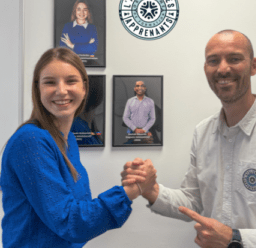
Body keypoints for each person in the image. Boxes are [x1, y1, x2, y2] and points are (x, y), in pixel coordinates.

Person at [122, 30, 256, 248]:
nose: (223, 68)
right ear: (206, 69)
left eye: (234, 59)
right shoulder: (203, 132)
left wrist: (236, 240)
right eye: (213, 61)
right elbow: (193, 202)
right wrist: (150, 189)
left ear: (253, 66)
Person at [1, 48, 156, 247]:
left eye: (70, 81)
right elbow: (70, 222)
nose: (61, 90)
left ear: (84, 88)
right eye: (50, 82)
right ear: (37, 88)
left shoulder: (69, 140)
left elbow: (77, 210)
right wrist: (130, 191)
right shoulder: (31, 140)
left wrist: (133, 181)